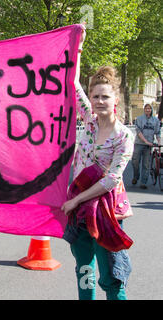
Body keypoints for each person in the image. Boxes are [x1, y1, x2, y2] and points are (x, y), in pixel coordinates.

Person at [61, 29, 134, 300]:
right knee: (84, 269)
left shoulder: (124, 136)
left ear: (115, 100)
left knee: (112, 275)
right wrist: (77, 49)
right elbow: (72, 83)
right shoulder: (89, 122)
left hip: (107, 212)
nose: (99, 101)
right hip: (79, 210)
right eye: (96, 97)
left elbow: (111, 179)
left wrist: (75, 199)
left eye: (105, 97)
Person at [131, 104, 161, 189]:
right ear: (144, 110)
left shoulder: (155, 120)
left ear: (151, 110)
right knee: (135, 162)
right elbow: (138, 131)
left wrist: (159, 141)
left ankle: (143, 182)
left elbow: (158, 132)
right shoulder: (139, 119)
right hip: (139, 144)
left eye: (149, 109)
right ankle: (136, 177)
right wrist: (146, 141)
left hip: (149, 146)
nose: (148, 110)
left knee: (146, 164)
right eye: (146, 108)